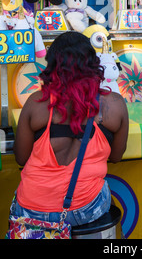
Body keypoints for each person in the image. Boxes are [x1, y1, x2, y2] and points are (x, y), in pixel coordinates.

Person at [10, 31, 129, 227]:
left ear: (53, 66)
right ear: (93, 64)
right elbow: (116, 157)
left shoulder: (36, 103)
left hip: (31, 208)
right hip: (85, 208)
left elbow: (21, 158)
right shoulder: (114, 105)